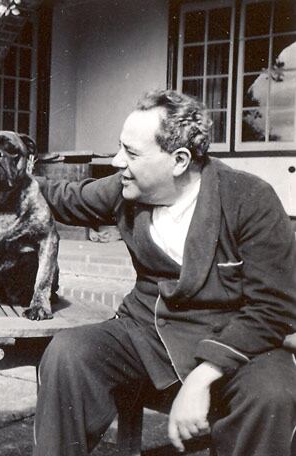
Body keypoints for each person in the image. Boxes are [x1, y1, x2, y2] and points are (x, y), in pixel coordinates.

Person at [33, 89, 296, 456]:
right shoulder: (127, 189)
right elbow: (66, 197)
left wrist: (203, 376)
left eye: (132, 153)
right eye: (120, 147)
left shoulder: (249, 198)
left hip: (237, 341)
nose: (116, 162)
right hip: (146, 333)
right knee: (68, 353)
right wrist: (4, 174)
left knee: (274, 395)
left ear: (179, 160)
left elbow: (272, 309)